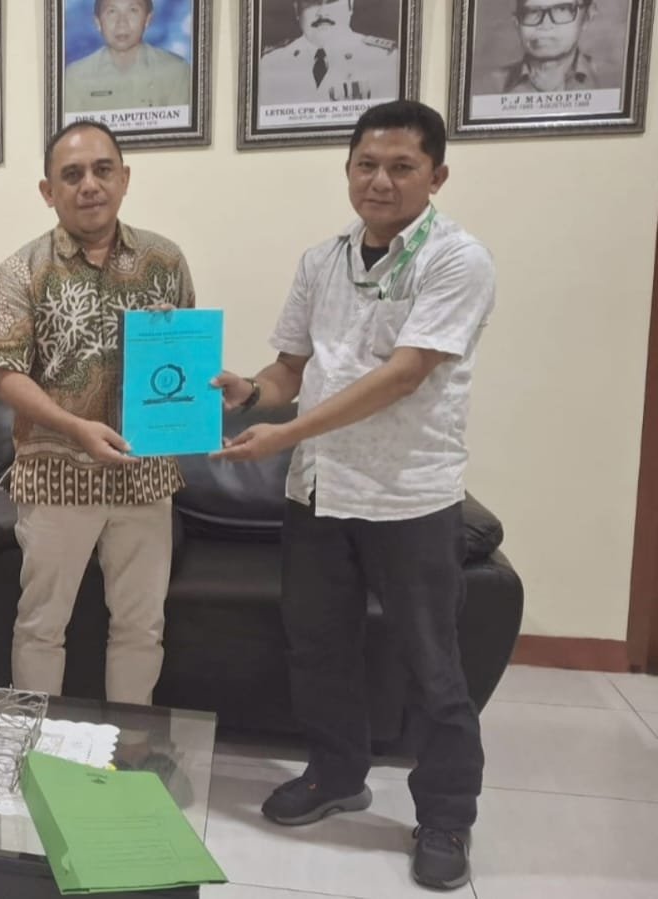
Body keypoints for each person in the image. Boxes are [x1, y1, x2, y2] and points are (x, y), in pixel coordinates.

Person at [210, 100, 494, 891]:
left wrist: (285, 432)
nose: (380, 180)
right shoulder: (322, 260)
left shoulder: (457, 260)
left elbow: (402, 375)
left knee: (430, 663)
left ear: (436, 175)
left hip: (407, 495)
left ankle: (445, 814)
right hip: (318, 491)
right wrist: (249, 392)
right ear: (347, 171)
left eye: (401, 166)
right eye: (366, 165)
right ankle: (336, 773)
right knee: (318, 647)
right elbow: (289, 369)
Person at [0, 119, 194, 706]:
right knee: (42, 627)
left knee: (141, 626)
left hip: (144, 473)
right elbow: (6, 374)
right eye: (72, 175)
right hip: (56, 475)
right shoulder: (21, 269)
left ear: (125, 178)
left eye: (103, 170)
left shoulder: (165, 261)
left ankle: (129, 744)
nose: (90, 185)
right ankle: (43, 748)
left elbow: (182, 358)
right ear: (48, 191)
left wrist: (202, 389)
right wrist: (76, 427)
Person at [257, 0, 398, 106]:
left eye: (332, 2)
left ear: (350, 5)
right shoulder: (270, 63)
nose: (322, 13)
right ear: (296, 10)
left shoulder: (385, 58)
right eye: (311, 3)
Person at [63, 0, 192, 112]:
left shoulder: (177, 72)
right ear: (98, 22)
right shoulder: (75, 78)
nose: (122, 23)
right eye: (112, 11)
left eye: (133, 10)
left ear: (147, 20)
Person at [480, 0, 610, 94]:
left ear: (587, 17)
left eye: (562, 9)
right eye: (532, 12)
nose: (545, 25)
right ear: (516, 23)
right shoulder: (487, 87)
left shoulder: (611, 80)